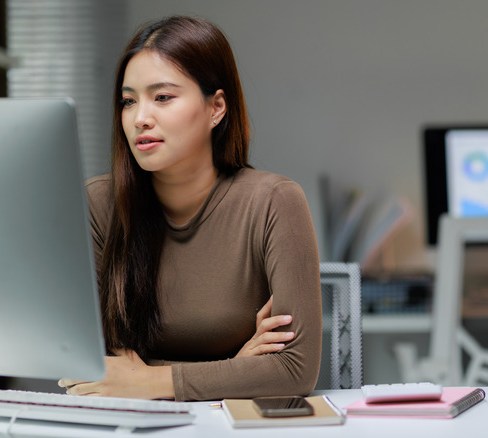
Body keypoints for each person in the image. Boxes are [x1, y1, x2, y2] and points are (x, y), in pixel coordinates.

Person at [59, 15, 322, 402]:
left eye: (162, 97)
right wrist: (238, 366)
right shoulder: (98, 204)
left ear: (216, 107)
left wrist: (150, 380)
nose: (140, 118)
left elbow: (295, 371)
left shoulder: (274, 202)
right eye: (128, 101)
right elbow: (87, 367)